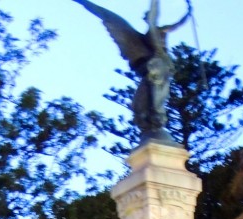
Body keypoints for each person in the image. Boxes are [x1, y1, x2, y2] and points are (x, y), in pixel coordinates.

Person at [70, 0, 192, 141]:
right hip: (153, 66)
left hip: (161, 65)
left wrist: (188, 14)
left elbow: (177, 24)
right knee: (141, 102)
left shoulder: (161, 31)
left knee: (157, 92)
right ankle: (151, 120)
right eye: (148, 17)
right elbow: (154, 12)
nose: (149, 19)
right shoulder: (146, 36)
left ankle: (156, 118)